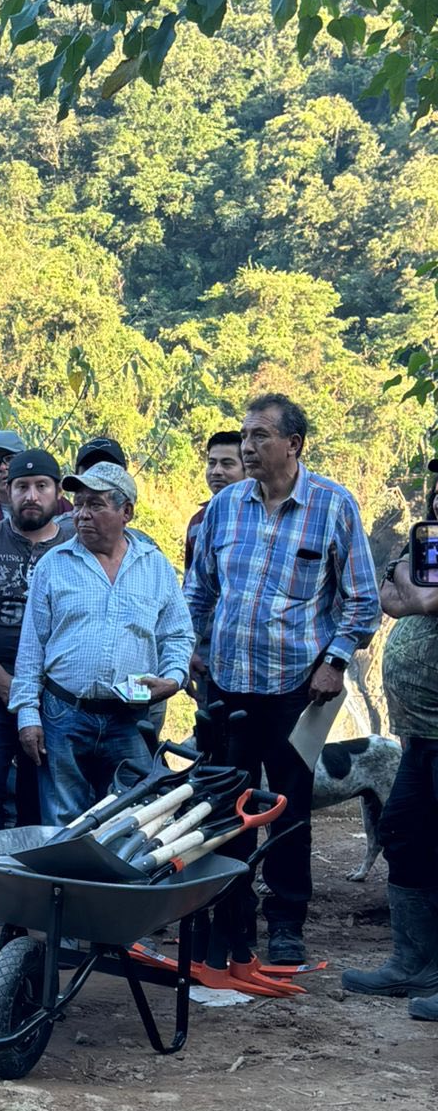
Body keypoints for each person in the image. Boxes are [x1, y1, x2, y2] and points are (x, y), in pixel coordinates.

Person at [184, 394, 379, 964]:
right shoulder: (224, 509)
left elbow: (362, 600)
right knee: (225, 806)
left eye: (260, 436)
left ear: (292, 444)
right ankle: (231, 917)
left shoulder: (333, 506)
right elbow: (199, 588)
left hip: (299, 690)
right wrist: (194, 647)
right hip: (226, 687)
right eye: (244, 436)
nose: (246, 446)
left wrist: (335, 660)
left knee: (288, 809)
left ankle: (287, 922)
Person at [11, 462, 194, 827]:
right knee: (65, 821)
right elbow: (31, 649)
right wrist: (28, 716)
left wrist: (172, 679)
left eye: (95, 505)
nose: (81, 515)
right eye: (78, 504)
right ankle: (69, 885)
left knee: (131, 819)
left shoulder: (154, 566)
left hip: (129, 718)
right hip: (64, 714)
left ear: (126, 512)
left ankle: (115, 886)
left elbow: (177, 635)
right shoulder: (54, 564)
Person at [342, 460, 438, 1015]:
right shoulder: (426, 543)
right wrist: (412, 582)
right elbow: (390, 596)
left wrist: (414, 585)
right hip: (420, 735)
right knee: (401, 833)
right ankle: (415, 962)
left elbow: (420, 600)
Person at [0, 449, 73, 834]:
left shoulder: (74, 546)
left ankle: (32, 885)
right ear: (7, 492)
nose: (31, 495)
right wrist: (1, 680)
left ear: (57, 492)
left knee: (38, 792)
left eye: (41, 486)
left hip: (54, 693)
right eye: (21, 486)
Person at [183, 431, 244, 573]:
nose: (216, 471)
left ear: (247, 469)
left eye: (227, 464)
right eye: (212, 463)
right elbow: (190, 579)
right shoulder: (197, 522)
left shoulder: (259, 517)